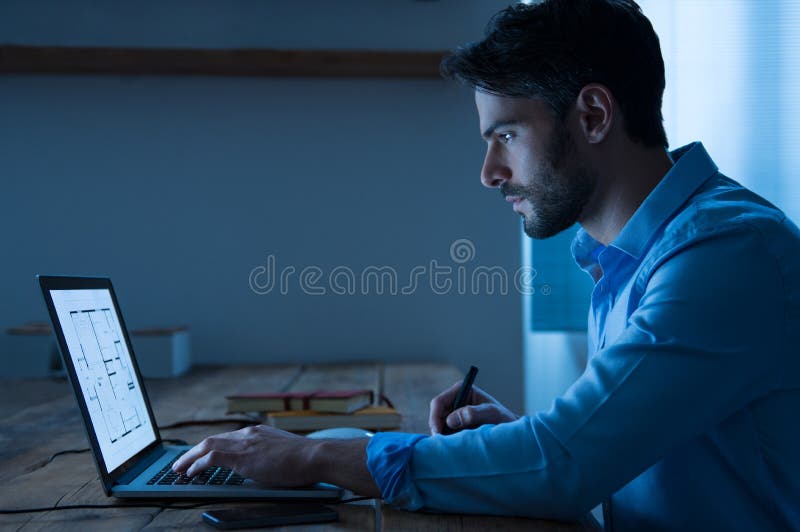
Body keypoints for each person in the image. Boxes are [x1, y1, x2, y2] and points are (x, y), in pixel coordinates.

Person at [173, 1, 800, 529]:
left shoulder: (724, 254)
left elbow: (564, 465)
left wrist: (317, 460)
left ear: (593, 116)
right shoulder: (634, 256)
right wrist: (516, 444)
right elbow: (595, 461)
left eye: (505, 136)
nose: (490, 173)